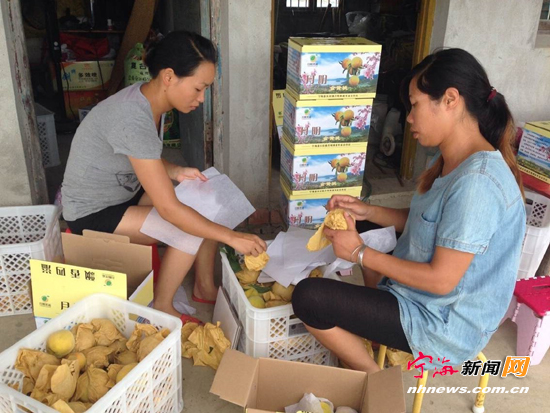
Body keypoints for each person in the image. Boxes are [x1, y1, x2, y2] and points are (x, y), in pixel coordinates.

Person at [292, 48, 526, 373]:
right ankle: (375, 326)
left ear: (450, 100)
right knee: (357, 225)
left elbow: (442, 281)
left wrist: (359, 253)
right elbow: (424, 221)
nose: (410, 118)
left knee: (309, 299)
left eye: (415, 105)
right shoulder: (450, 158)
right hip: (423, 295)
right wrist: (366, 212)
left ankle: (374, 380)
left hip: (442, 322)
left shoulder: (478, 183)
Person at [61, 31, 267, 323]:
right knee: (187, 226)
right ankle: (163, 306)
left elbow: (136, 154)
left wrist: (173, 170)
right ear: (169, 76)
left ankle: (204, 286)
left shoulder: (149, 100)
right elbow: (170, 210)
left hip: (123, 190)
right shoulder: (132, 117)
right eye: (198, 88)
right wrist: (232, 237)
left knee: (208, 197)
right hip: (93, 212)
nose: (201, 98)